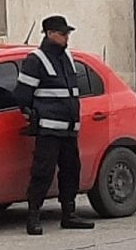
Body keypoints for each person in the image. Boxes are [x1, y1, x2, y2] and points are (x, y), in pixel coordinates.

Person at [13, 15, 94, 235]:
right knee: (43, 172)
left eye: (68, 33)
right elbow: (22, 95)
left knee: (71, 171)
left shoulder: (66, 56)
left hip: (69, 129)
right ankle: (33, 216)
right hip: (48, 129)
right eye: (63, 33)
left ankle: (69, 214)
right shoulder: (36, 59)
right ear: (49, 34)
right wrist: (33, 115)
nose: (67, 36)